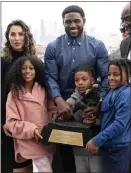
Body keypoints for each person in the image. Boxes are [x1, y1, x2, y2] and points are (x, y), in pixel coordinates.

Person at [44, 5, 109, 172]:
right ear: (63, 23)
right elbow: (50, 76)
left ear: (84, 21)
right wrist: (59, 101)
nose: (72, 25)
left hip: (90, 106)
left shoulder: (98, 46)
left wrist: (98, 105)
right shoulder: (53, 47)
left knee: (91, 154)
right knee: (66, 157)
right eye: (68, 21)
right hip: (63, 107)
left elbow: (106, 78)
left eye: (76, 21)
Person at [3, 55, 56, 172]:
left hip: (46, 139)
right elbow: (11, 123)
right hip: (29, 142)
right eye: (24, 68)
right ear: (18, 70)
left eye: (31, 68)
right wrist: (32, 130)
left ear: (37, 70)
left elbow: (52, 110)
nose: (27, 71)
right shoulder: (14, 94)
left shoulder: (43, 89)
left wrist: (54, 124)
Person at [1, 19, 36, 172]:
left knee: (26, 164)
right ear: (7, 37)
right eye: (12, 34)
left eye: (20, 34)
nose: (17, 38)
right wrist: (3, 122)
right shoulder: (3, 63)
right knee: (10, 163)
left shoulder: (33, 62)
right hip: (8, 122)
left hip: (28, 123)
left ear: (26, 36)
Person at [86, 58, 131, 173]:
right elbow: (109, 112)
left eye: (116, 74)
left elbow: (119, 124)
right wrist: (96, 115)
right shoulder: (113, 90)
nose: (111, 78)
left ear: (129, 75)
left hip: (118, 148)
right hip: (110, 145)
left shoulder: (126, 94)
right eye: (109, 74)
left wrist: (97, 141)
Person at [66, 64, 103, 173]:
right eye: (77, 80)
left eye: (84, 79)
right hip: (78, 149)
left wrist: (96, 120)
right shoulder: (70, 101)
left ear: (92, 80)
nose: (80, 83)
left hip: (97, 150)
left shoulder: (100, 99)